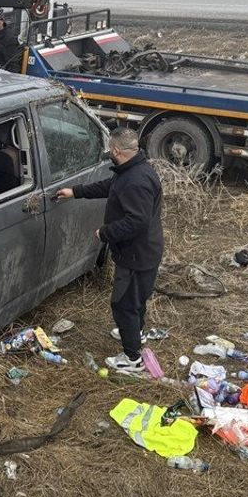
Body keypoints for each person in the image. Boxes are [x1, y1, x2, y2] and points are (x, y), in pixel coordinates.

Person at [54, 128, 164, 373]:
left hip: (137, 255)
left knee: (123, 304)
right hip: (144, 251)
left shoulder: (136, 181)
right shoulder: (133, 170)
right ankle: (136, 333)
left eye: (109, 149)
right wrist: (76, 192)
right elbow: (110, 187)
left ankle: (132, 359)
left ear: (116, 151)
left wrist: (105, 233)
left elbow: (137, 221)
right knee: (136, 299)